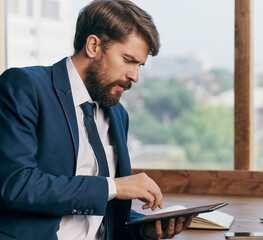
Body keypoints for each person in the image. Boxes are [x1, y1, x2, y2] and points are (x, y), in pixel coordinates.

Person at [0, 0, 195, 239]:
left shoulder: (118, 114)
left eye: (139, 66)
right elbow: (16, 185)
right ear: (93, 46)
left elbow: (103, 208)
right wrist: (115, 186)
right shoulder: (26, 87)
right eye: (128, 60)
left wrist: (146, 228)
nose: (134, 76)